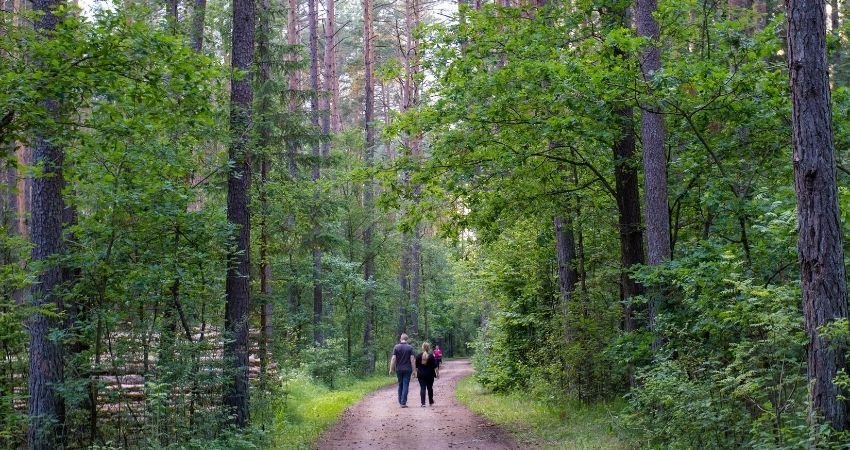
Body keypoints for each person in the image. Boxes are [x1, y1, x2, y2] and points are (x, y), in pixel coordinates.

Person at [389, 333, 415, 407]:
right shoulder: (410, 347)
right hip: (407, 369)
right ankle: (403, 402)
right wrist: (414, 370)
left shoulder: (396, 347)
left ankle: (400, 401)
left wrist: (391, 369)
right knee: (405, 384)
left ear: (401, 339)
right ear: (407, 339)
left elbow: (393, 358)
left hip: (399, 369)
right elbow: (412, 359)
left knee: (400, 384)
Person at [415, 342, 439, 407]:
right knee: (430, 388)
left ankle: (423, 403)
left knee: (422, 388)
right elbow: (435, 366)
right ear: (429, 348)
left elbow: (416, 367)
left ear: (422, 347)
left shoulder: (418, 356)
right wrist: (437, 374)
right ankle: (431, 401)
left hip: (421, 375)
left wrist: (416, 373)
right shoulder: (431, 356)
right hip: (430, 375)